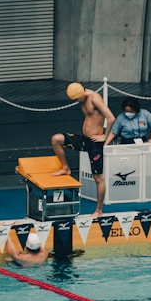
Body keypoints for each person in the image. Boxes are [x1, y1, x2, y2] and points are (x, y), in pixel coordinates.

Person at [51, 82, 115, 218]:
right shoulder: (81, 97)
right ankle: (65, 168)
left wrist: (105, 137)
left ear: (81, 93)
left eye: (76, 98)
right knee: (56, 139)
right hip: (84, 140)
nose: (76, 101)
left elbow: (111, 118)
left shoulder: (94, 98)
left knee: (98, 178)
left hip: (95, 143)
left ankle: (99, 210)